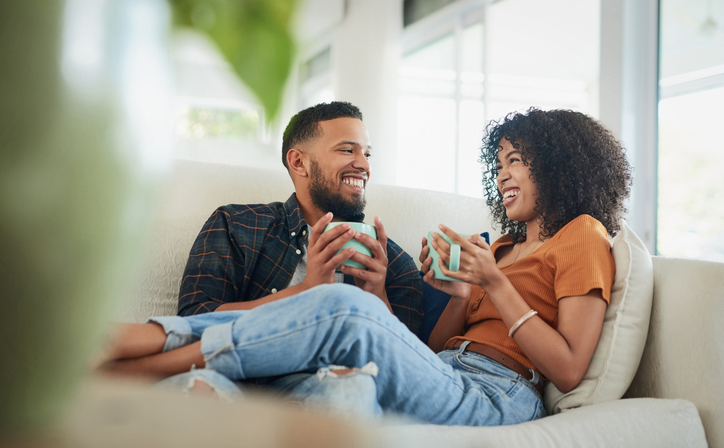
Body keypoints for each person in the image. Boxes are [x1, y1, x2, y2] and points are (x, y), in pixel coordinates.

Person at [97, 107, 632, 426]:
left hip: (501, 391)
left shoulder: (581, 235)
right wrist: (451, 290)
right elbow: (434, 352)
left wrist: (477, 285)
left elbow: (566, 369)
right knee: (340, 311)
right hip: (448, 372)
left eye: (517, 161)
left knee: (346, 325)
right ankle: (148, 352)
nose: (504, 175)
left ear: (559, 167)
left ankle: (141, 350)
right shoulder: (239, 225)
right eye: (501, 164)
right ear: (298, 162)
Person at [161, 101, 423, 412]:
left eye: (367, 153)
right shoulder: (238, 225)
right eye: (347, 150)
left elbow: (409, 375)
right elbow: (193, 322)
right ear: (299, 162)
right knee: (194, 390)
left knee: (355, 389)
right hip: (232, 379)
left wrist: (376, 295)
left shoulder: (393, 265)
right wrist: (306, 291)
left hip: (323, 387)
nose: (364, 165)